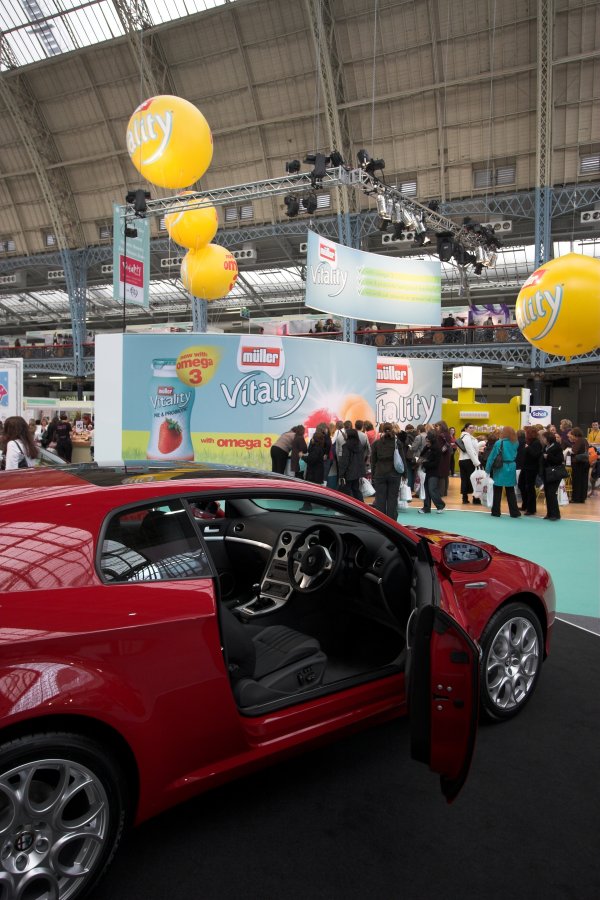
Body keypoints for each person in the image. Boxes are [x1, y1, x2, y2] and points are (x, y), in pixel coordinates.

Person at [485, 426, 521, 517]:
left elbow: (492, 457)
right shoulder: (516, 442)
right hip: (512, 466)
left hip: (501, 467)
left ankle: (496, 512)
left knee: (497, 490)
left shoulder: (499, 443)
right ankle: (514, 512)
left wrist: (487, 469)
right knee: (510, 490)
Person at [371, 423, 403, 520]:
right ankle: (392, 523)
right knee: (392, 499)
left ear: (382, 430)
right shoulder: (397, 443)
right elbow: (402, 459)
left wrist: (373, 475)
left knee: (380, 499)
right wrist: (404, 474)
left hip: (380, 473)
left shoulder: (376, 443)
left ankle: (381, 522)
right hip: (394, 474)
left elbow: (373, 461)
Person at [417, 431, 445, 514]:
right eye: (426, 441)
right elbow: (422, 454)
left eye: (428, 441)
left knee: (432, 489)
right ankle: (426, 508)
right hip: (427, 471)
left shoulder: (437, 449)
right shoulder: (428, 448)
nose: (426, 442)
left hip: (434, 472)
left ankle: (440, 505)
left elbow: (436, 463)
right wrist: (426, 448)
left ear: (432, 440)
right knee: (426, 489)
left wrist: (424, 463)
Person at [541, 430, 564, 520]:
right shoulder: (545, 447)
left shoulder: (557, 447)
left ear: (548, 439)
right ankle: (550, 513)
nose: (542, 439)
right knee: (548, 493)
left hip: (554, 473)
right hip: (546, 472)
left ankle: (555, 514)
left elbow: (559, 460)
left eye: (544, 438)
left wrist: (548, 457)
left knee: (551, 493)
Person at [337, 428, 365, 500]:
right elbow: (361, 459)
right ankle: (361, 507)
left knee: (346, 493)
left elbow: (344, 461)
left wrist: (341, 474)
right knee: (356, 490)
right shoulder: (360, 446)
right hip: (357, 472)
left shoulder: (346, 446)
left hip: (348, 473)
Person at [522, 425, 544, 515]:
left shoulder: (536, 443)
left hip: (532, 468)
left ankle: (531, 509)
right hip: (527, 467)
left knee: (530, 488)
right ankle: (526, 505)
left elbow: (535, 455)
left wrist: (528, 448)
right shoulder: (531, 442)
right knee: (524, 486)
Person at [457, 423, 481, 504]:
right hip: (468, 460)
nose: (472, 429)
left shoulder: (465, 436)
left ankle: (465, 498)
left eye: (473, 427)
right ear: (466, 428)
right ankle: (475, 499)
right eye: (470, 427)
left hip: (463, 460)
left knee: (465, 480)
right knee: (473, 480)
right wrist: (476, 462)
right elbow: (470, 450)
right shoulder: (467, 437)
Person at [569, 427, 589, 503]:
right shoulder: (585, 440)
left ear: (575, 434)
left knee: (577, 481)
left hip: (578, 463)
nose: (571, 436)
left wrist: (569, 450)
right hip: (585, 462)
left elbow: (574, 451)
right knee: (583, 481)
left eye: (572, 434)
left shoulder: (579, 441)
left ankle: (575, 498)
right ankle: (582, 497)